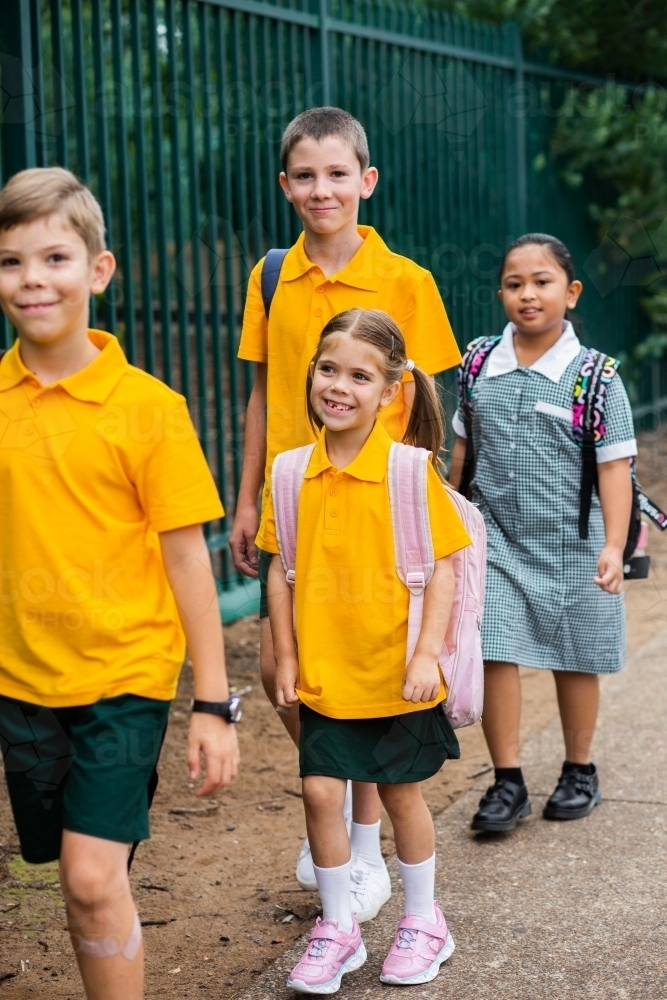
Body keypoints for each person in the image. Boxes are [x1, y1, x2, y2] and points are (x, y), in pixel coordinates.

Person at [0, 167, 240, 1000]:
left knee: (94, 877)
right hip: (22, 683)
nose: (33, 280)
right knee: (74, 881)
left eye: (55, 257)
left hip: (125, 682)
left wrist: (211, 705)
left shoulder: (151, 409)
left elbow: (186, 564)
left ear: (99, 270)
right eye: (12, 262)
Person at [230, 106, 462, 914]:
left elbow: (431, 401)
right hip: (293, 508)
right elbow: (262, 394)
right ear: (285, 184)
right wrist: (244, 496)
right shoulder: (271, 277)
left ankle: (360, 844)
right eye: (305, 175)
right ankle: (343, 811)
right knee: (280, 670)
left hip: (375, 515)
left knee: (364, 668)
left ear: (365, 181)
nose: (320, 189)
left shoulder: (407, 283)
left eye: (337, 174)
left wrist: (425, 497)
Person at [258, 308, 471, 992]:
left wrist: (425, 656)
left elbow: (443, 566)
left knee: (399, 794)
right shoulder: (290, 474)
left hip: (392, 671)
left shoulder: (409, 473)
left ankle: (421, 920)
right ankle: (338, 925)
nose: (338, 385)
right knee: (320, 792)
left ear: (390, 390)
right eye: (327, 369)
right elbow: (279, 570)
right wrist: (284, 656)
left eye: (359, 374)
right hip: (325, 671)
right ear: (310, 375)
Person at [448, 233, 636, 832]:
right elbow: (461, 448)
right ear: (501, 291)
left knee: (575, 656)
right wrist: (449, 517)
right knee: (495, 649)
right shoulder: (478, 363)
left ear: (571, 292)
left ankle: (579, 769)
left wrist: (613, 544)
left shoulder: (597, 376)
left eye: (542, 282)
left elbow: (614, 469)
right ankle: (507, 783)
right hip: (496, 539)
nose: (527, 294)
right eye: (514, 283)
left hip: (575, 544)